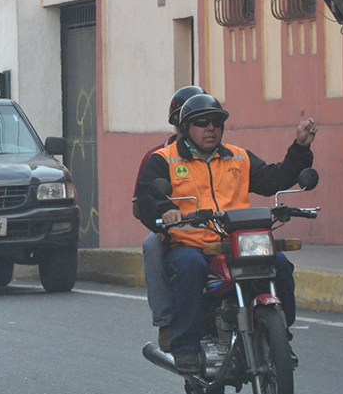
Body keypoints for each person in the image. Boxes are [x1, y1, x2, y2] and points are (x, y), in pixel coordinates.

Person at [135, 94, 317, 374]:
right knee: (189, 267)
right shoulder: (164, 160)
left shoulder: (238, 156)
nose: (211, 128)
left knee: (280, 265)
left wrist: (301, 147)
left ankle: (279, 338)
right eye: (202, 122)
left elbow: (274, 179)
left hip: (237, 242)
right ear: (185, 128)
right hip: (192, 243)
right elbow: (147, 198)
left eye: (217, 122)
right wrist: (166, 210)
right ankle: (185, 345)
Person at [133, 85, 205, 352]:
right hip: (172, 228)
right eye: (195, 121)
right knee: (152, 245)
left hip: (212, 225)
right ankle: (165, 322)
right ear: (178, 123)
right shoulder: (157, 157)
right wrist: (166, 217)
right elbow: (140, 206)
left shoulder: (222, 153)